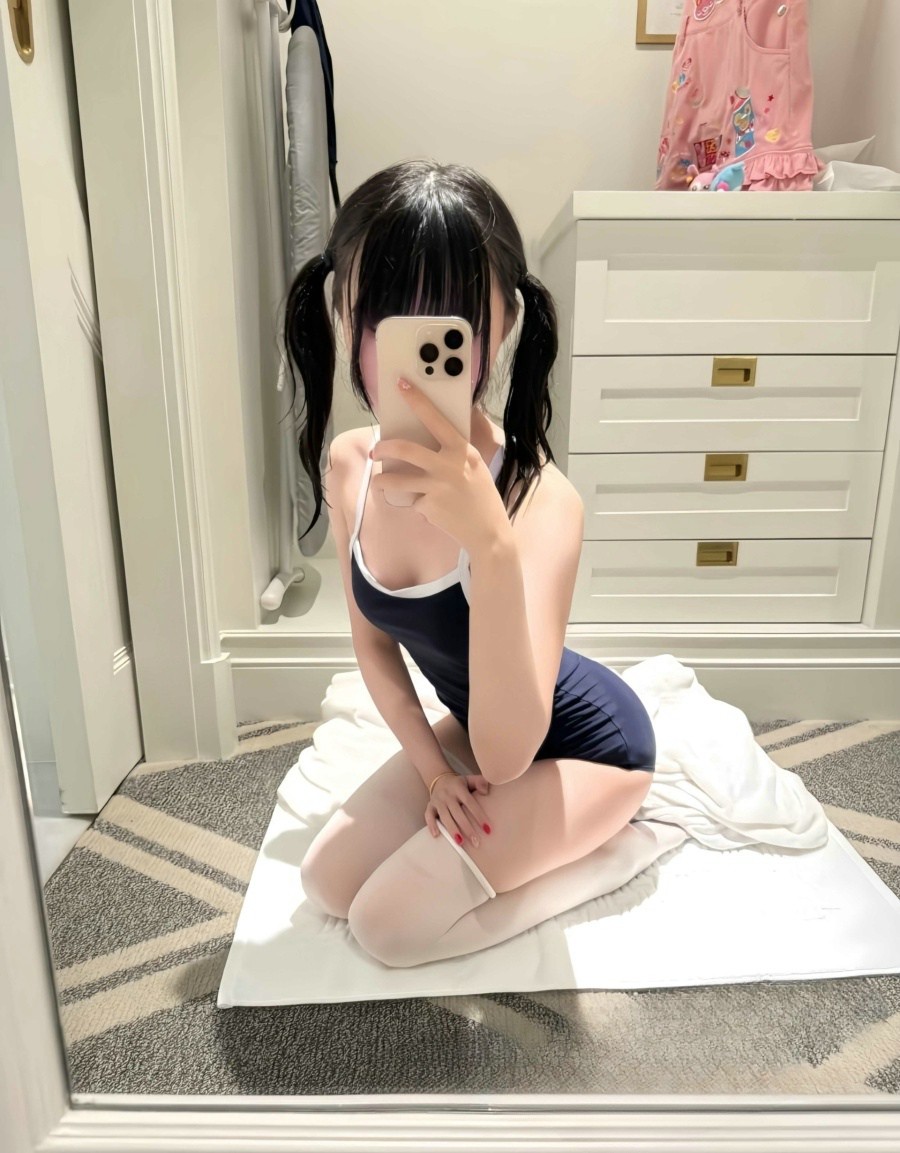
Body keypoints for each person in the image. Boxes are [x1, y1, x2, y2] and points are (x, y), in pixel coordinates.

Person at [284, 159, 658, 968]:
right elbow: (373, 645)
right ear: (347, 312)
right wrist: (430, 773)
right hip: (477, 725)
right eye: (385, 315)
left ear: (503, 321)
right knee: (326, 882)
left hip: (586, 745)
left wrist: (490, 545)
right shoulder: (350, 465)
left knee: (387, 927)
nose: (408, 353)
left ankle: (610, 854)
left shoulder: (541, 500)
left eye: (446, 323)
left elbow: (506, 754)